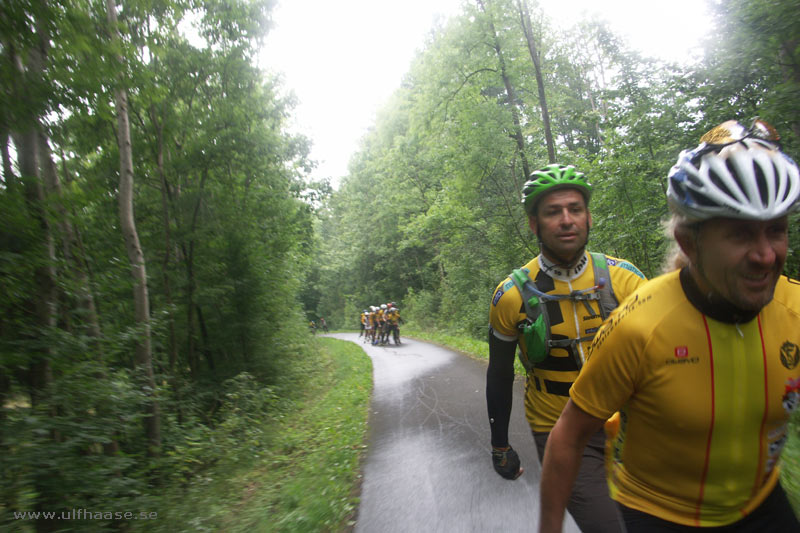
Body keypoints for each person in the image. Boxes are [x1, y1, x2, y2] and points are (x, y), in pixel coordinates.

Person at [538, 119, 800, 532]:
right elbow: (568, 436)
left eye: (777, 230)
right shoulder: (639, 326)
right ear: (689, 244)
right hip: (659, 515)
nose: (766, 256)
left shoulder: (795, 309)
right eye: (739, 235)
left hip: (761, 505)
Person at [487, 164, 647, 532]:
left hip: (632, 424)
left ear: (589, 217)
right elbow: (498, 374)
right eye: (552, 211)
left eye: (575, 209)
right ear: (534, 224)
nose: (566, 220)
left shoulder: (626, 278)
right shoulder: (510, 295)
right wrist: (499, 444)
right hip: (559, 431)